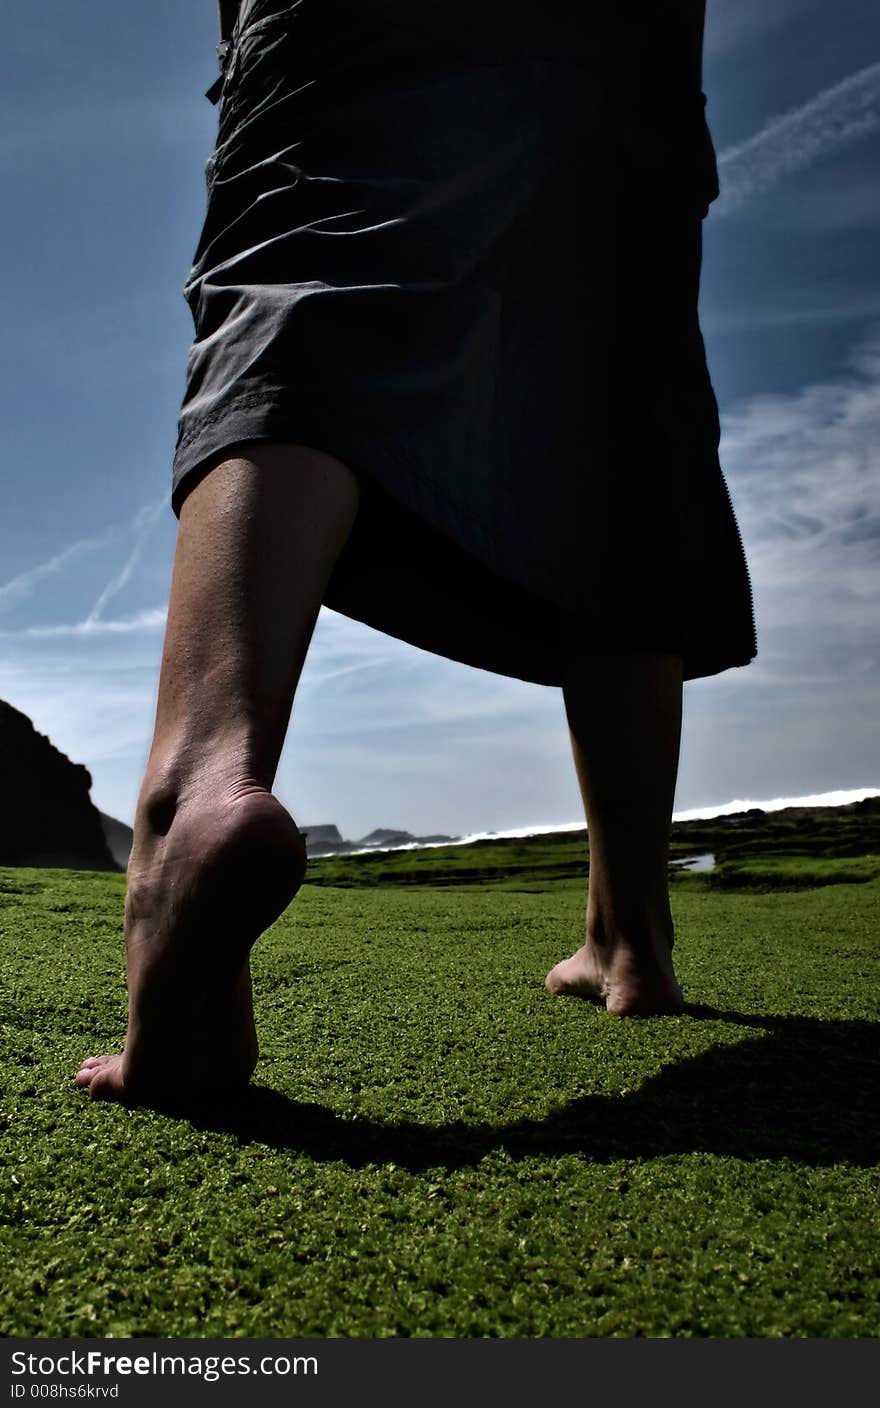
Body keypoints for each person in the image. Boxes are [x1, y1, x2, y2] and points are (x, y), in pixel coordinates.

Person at [76, 0, 755, 1104]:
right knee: (616, 410)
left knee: (308, 283)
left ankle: (195, 798)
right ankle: (632, 938)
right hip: (621, 53)